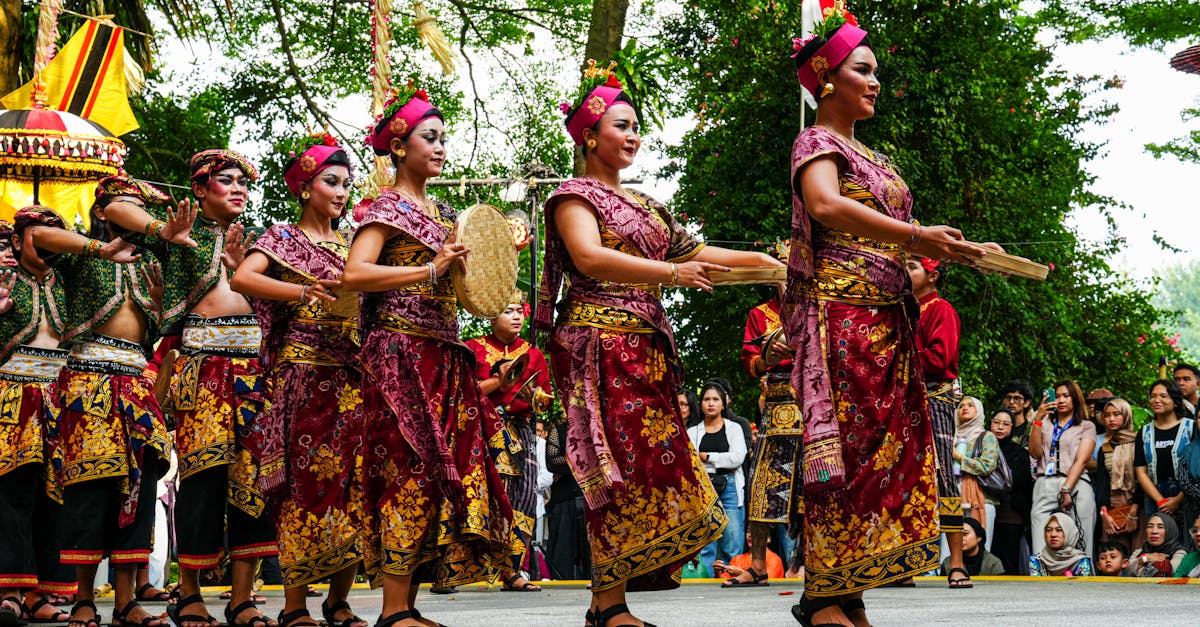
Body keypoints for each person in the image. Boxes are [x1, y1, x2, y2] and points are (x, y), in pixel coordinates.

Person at [535, 60, 779, 627]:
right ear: (590, 136)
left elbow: (696, 255)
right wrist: (668, 276)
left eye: (636, 125)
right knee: (609, 467)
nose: (633, 135)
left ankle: (608, 601)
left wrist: (768, 264)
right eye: (620, 125)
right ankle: (608, 602)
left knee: (651, 465)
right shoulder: (574, 196)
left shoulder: (646, 206)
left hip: (645, 349)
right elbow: (591, 257)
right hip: (598, 345)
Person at [785, 6, 993, 623]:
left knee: (881, 458)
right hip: (842, 321)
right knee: (841, 455)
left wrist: (960, 250)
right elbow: (824, 205)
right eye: (863, 70)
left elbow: (904, 242)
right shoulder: (816, 142)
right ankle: (824, 592)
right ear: (827, 78)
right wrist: (915, 233)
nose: (875, 82)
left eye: (876, 72)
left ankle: (848, 590)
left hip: (886, 322)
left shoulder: (870, 154)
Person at [340, 84, 517, 627]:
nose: (441, 147)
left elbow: (468, 281)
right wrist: (429, 269)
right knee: (405, 468)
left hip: (442, 352)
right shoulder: (385, 206)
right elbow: (354, 274)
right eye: (429, 137)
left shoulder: (442, 212)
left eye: (444, 138)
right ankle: (394, 610)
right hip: (398, 353)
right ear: (398, 147)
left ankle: (409, 605)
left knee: (441, 472)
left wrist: (501, 248)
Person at [102, 151, 276, 627]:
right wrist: (162, 231)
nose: (239, 188)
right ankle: (191, 593)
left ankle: (242, 598)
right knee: (203, 480)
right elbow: (114, 203)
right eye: (226, 181)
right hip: (204, 371)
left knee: (254, 484)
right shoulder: (180, 235)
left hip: (255, 374)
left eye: (244, 181)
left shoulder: (260, 241)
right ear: (199, 190)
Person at [228, 133, 366, 627]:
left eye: (347, 184)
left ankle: (339, 600)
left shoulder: (355, 244)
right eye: (331, 181)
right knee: (302, 486)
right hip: (302, 376)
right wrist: (301, 291)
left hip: (351, 377)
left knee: (351, 485)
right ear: (305, 188)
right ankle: (294, 606)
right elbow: (244, 278)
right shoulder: (283, 238)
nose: (342, 192)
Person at [29, 184, 178, 627]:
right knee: (90, 492)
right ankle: (85, 600)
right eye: (129, 207)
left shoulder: (152, 262)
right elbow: (37, 233)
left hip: (136, 383)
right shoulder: (80, 254)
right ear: (104, 210)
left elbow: (166, 324)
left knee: (138, 489)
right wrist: (99, 248)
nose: (138, 215)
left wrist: (159, 307)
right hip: (90, 381)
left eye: (142, 209)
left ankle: (127, 602)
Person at [0, 213, 77, 624]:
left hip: (56, 395)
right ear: (16, 241)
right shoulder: (2, 275)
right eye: (39, 238)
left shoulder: (64, 282)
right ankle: (8, 589)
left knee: (51, 497)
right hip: (11, 391)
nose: (49, 246)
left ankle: (39, 591)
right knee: (12, 492)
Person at [465, 292, 551, 593]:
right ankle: (466, 567)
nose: (516, 317)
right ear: (491, 315)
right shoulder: (472, 349)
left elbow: (544, 401)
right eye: (507, 311)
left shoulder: (533, 353)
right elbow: (463, 392)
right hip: (483, 431)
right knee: (482, 497)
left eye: (519, 311)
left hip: (521, 432)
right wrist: (499, 383)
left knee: (525, 498)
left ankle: (513, 569)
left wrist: (538, 399)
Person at [729, 243, 800, 588]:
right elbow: (749, 363)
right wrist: (769, 358)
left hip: (815, 401)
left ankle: (813, 564)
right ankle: (757, 564)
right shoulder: (761, 314)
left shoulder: (817, 310)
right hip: (777, 402)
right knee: (763, 484)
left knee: (817, 485)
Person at [907, 256, 970, 588]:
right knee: (903, 478)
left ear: (932, 276)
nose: (906, 271)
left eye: (912, 266)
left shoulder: (940, 309)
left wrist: (898, 356)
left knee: (943, 473)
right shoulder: (903, 310)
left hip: (935, 399)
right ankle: (904, 565)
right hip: (905, 400)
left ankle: (956, 563)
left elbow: (939, 359)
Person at [1029, 380, 1097, 557]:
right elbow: (1035, 453)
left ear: (1075, 399)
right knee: (1039, 532)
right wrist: (1036, 421)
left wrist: (1066, 488)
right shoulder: (1044, 422)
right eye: (1057, 396)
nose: (1060, 400)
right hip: (1045, 481)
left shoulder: (1086, 426)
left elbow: (1081, 461)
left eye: (1066, 396)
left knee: (1082, 537)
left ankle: (1085, 578)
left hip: (1076, 483)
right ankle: (1040, 576)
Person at [688, 382, 748, 574]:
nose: (711, 403)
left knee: (732, 540)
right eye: (707, 399)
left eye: (716, 399)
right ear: (701, 404)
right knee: (705, 542)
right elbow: (690, 462)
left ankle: (732, 578)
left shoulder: (734, 428)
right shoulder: (692, 432)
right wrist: (716, 460)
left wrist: (707, 457)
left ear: (724, 404)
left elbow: (738, 458)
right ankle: (704, 581)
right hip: (704, 486)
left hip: (730, 485)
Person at [1134, 379, 1198, 534]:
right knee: (1159, 542)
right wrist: (1160, 501)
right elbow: (1141, 472)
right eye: (1153, 396)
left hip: (1187, 495)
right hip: (1154, 495)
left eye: (1163, 396)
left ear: (1175, 401)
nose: (1157, 400)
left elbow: (1197, 467)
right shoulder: (1144, 432)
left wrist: (1178, 500)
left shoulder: (1191, 427)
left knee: (1188, 541)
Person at [987, 408, 1033, 575]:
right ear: (990, 423)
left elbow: (1022, 482)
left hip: (1010, 510)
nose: (1000, 427)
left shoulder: (1019, 452)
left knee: (1008, 558)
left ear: (1012, 427)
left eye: (1005, 424)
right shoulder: (980, 446)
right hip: (984, 505)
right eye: (996, 423)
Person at [1092, 398, 1140, 551]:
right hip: (1113, 510)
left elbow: (1143, 479)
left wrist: (1133, 513)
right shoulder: (1104, 448)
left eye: (1116, 414)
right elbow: (1102, 484)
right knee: (1113, 554)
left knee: (1136, 554)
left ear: (1126, 415)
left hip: (1138, 507)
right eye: (1107, 415)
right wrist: (1104, 514)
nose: (1111, 419)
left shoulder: (1139, 442)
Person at [953, 397, 999, 543]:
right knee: (950, 551)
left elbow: (987, 465)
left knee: (979, 548)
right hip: (952, 499)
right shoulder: (950, 437)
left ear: (978, 411)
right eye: (961, 406)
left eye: (970, 405)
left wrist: (960, 458)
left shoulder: (986, 437)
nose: (965, 408)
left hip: (980, 499)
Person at [1028, 514, 1093, 576]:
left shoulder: (1081, 561)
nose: (1053, 534)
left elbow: (1084, 587)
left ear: (1069, 533)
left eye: (1059, 530)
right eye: (1048, 530)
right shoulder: (1037, 561)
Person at [938, 518, 1003, 577]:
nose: (960, 539)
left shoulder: (993, 563)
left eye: (965, 534)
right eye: (959, 535)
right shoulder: (948, 563)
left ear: (979, 537)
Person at [712, 530, 786, 581]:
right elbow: (723, 581)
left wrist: (740, 572)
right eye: (748, 531)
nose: (750, 535)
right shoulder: (737, 559)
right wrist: (718, 572)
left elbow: (766, 581)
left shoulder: (774, 560)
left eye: (756, 532)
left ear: (768, 539)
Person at [999, 380, 1035, 449]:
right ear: (1003, 401)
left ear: (1026, 403)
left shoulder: (1032, 429)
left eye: (1017, 398)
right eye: (1008, 398)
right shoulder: (998, 428)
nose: (1011, 402)